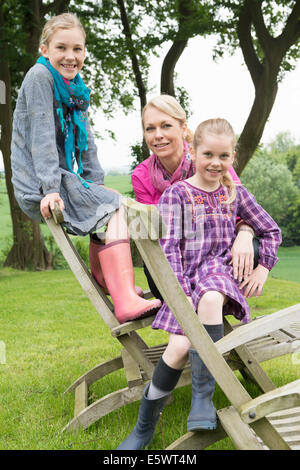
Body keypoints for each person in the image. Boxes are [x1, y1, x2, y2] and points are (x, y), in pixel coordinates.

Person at [117, 118, 281, 450]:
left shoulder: (234, 194)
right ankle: (143, 429)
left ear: (233, 157)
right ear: (193, 152)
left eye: (224, 156)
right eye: (208, 154)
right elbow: (169, 252)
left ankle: (202, 399)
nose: (216, 163)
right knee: (177, 348)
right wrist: (180, 299)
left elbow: (272, 230)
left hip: (220, 274)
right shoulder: (177, 194)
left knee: (210, 299)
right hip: (183, 284)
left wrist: (264, 266)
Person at [10, 12, 161, 324]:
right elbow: (41, 138)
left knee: (110, 201)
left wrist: (96, 182)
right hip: (39, 183)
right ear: (44, 49)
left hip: (59, 178)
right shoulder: (40, 78)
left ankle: (113, 284)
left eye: (77, 49)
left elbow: (87, 143)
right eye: (61, 48)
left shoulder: (75, 89)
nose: (70, 56)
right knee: (116, 206)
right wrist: (50, 189)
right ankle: (123, 297)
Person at [132, 95, 257, 301]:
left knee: (251, 249)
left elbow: (244, 210)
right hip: (174, 258)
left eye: (166, 126)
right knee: (174, 284)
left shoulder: (211, 159)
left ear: (183, 129)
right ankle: (203, 317)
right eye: (150, 128)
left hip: (221, 252)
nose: (158, 135)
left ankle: (210, 309)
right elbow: (156, 231)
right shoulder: (141, 176)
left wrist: (245, 233)